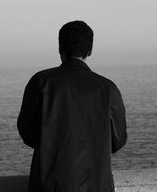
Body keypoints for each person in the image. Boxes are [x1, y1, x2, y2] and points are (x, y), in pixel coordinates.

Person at [17, 20, 127, 192]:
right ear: (90, 50)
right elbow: (118, 140)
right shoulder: (107, 88)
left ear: (60, 49)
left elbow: (28, 134)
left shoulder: (40, 82)